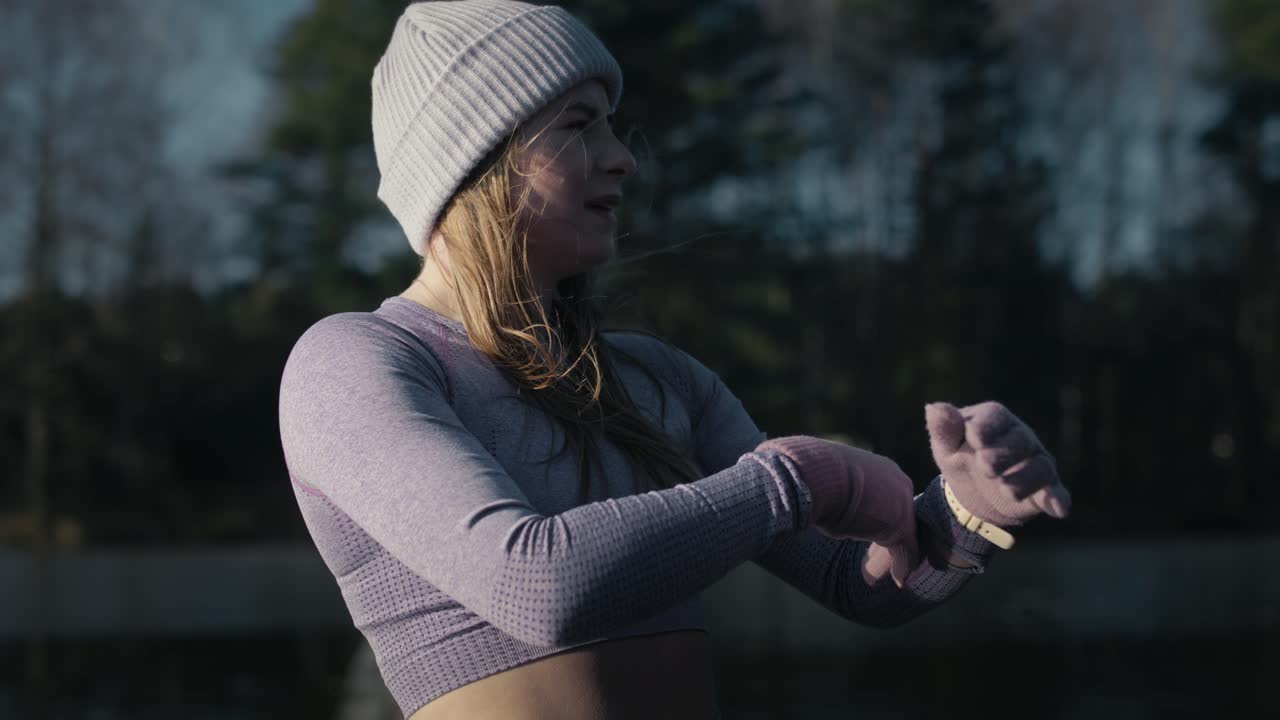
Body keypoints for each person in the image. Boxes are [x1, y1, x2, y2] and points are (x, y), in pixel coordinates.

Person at [276, 2, 1073, 718]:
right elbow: (535, 585)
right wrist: (796, 480)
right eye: (579, 125)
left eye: (612, 127)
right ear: (476, 161)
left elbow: (859, 587)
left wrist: (967, 513)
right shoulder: (355, 361)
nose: (622, 157)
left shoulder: (659, 379)